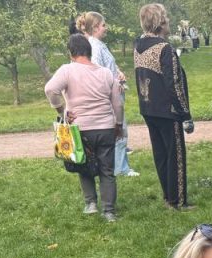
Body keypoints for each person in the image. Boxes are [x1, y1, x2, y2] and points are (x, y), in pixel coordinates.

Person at [45, 34, 123, 222]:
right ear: (89, 51)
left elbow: (50, 89)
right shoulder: (106, 73)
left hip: (80, 129)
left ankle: (90, 204)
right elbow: (118, 104)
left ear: (71, 53)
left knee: (83, 165)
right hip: (105, 127)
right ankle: (109, 211)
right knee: (107, 170)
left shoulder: (67, 70)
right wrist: (118, 124)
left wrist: (62, 110)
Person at [134, 3, 194, 210]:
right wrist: (185, 113)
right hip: (168, 111)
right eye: (167, 19)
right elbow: (174, 84)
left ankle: (168, 197)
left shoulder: (138, 44)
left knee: (161, 154)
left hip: (148, 107)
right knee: (175, 155)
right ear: (161, 22)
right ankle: (178, 200)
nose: (169, 22)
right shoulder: (164, 48)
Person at [77, 11, 139, 178]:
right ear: (96, 27)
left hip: (114, 89)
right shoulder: (95, 46)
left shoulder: (98, 44)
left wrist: (118, 72)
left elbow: (108, 66)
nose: (106, 28)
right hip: (110, 94)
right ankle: (121, 168)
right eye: (103, 25)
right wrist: (113, 80)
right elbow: (98, 69)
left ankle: (119, 165)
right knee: (119, 129)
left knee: (119, 130)